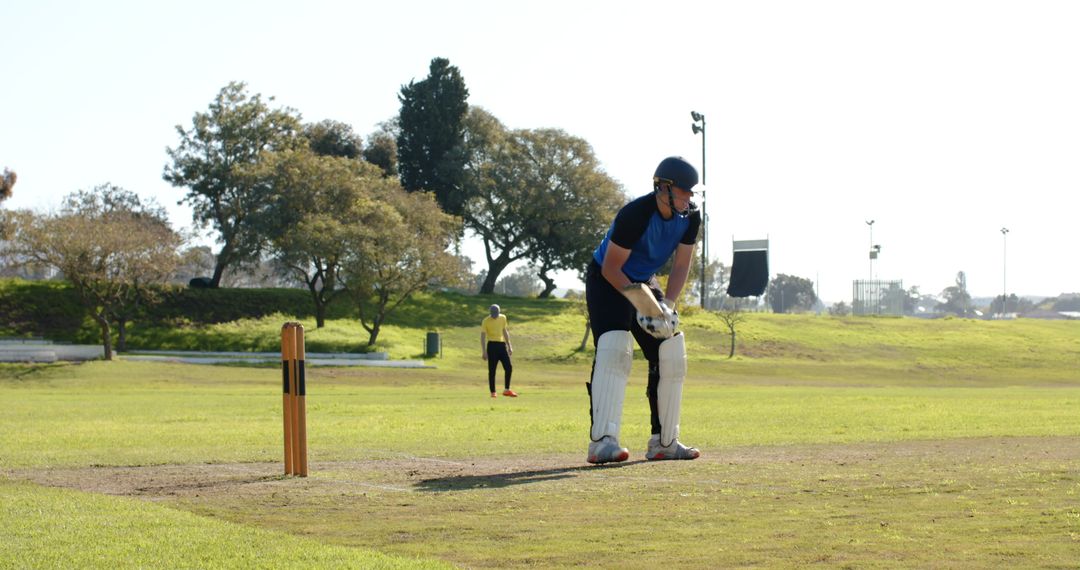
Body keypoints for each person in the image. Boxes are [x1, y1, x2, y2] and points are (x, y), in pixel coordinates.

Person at [584, 156, 702, 464]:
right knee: (613, 348)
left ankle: (664, 442)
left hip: (643, 281)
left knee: (670, 350)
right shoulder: (636, 214)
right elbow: (611, 268)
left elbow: (681, 264)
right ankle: (603, 442)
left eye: (692, 192)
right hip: (606, 280)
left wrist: (666, 306)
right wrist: (642, 303)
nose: (689, 197)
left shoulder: (691, 217)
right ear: (663, 188)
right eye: (684, 191)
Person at [481, 304, 516, 398]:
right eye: (493, 314)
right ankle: (493, 392)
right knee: (492, 370)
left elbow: (505, 331)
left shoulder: (503, 318)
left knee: (508, 367)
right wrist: (484, 351)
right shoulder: (485, 321)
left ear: (499, 312)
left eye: (496, 313)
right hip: (492, 346)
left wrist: (509, 345)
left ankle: (507, 390)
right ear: (490, 313)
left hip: (502, 345)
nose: (494, 315)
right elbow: (483, 336)